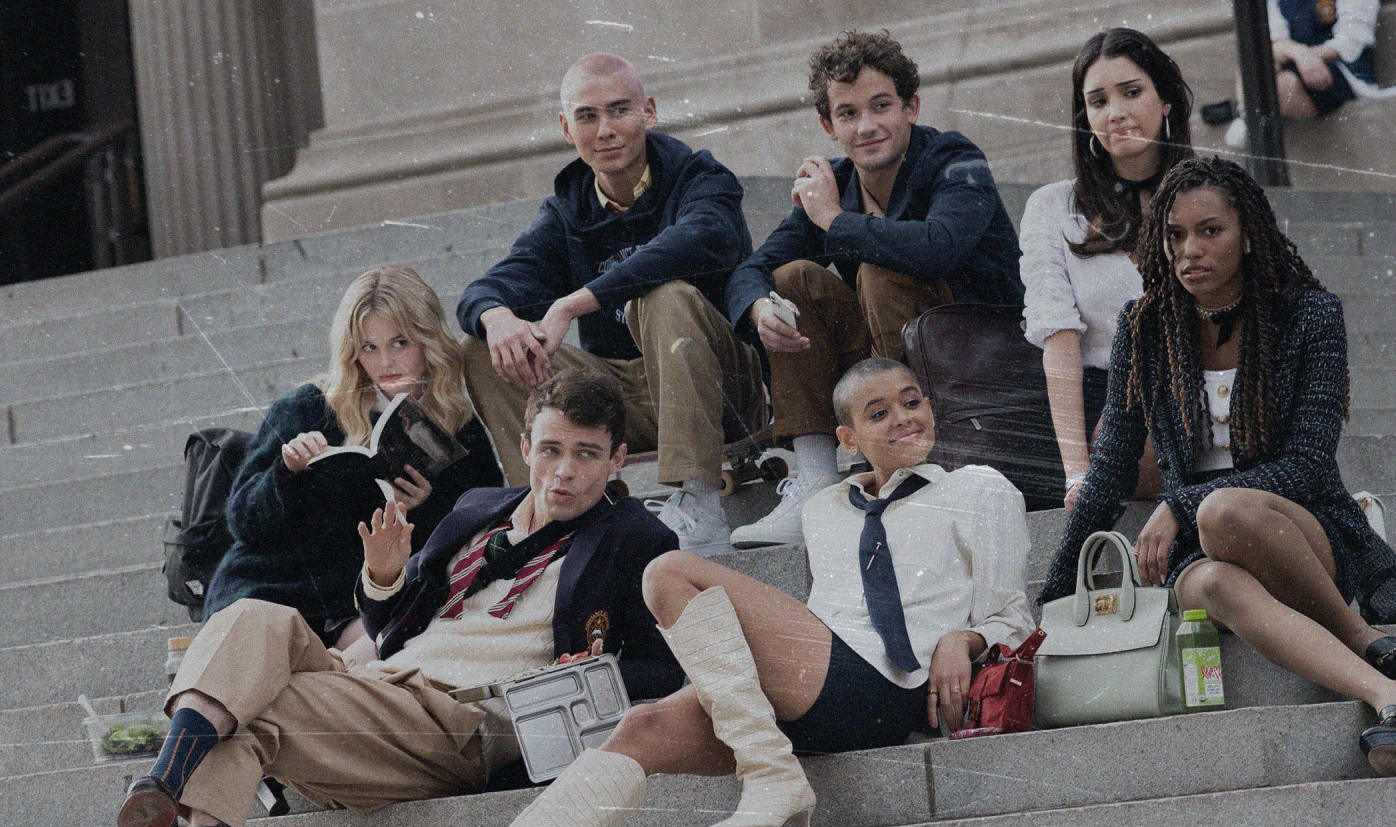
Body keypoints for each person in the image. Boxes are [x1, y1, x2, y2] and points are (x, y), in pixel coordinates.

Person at [398, 358, 1035, 827]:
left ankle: (771, 772)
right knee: (641, 727)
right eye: (879, 412)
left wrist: (964, 638)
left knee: (669, 571)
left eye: (912, 402)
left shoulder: (979, 489)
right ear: (847, 439)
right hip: (819, 684)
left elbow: (1014, 611)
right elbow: (827, 615)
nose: (902, 418)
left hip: (893, 688)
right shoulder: (823, 511)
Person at [115, 369, 684, 827]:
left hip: (457, 722)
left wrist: (588, 670)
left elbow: (665, 668)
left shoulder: (636, 539)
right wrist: (383, 578)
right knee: (252, 617)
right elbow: (391, 624)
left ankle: (171, 798)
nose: (564, 471)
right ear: (525, 448)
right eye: (552, 449)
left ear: (617, 459)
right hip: (376, 686)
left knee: (247, 701)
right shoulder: (480, 507)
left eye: (586, 453)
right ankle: (166, 794)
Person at [1037, 157, 1396, 781]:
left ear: (1247, 234)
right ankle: (1390, 691)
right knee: (1214, 584)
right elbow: (1109, 470)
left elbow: (1308, 465)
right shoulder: (1144, 326)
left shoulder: (1308, 315)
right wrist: (1050, 596)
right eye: (1175, 235)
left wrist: (1182, 503)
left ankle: (1358, 634)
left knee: (1224, 510)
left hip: (1298, 529)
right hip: (1198, 550)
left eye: (1210, 231)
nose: (1189, 250)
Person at [723, 30, 1024, 549]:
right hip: (893, 365)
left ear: (911, 106)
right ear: (829, 126)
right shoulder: (837, 186)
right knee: (792, 281)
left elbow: (939, 247)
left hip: (982, 368)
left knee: (881, 271)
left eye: (881, 106)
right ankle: (817, 479)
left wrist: (832, 219)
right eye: (848, 113)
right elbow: (754, 268)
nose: (866, 126)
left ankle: (920, 462)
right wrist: (758, 308)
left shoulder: (954, 158)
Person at [458, 52, 764, 557]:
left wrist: (573, 304)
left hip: (719, 389)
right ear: (565, 127)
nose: (605, 130)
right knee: (482, 347)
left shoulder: (700, 178)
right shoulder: (567, 211)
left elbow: (698, 239)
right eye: (587, 116)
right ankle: (543, 512)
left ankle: (701, 506)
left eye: (619, 110)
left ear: (649, 112)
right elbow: (489, 287)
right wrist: (497, 316)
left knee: (665, 296)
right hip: (620, 398)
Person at [205, 265, 503, 647]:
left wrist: (424, 507)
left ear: (426, 340)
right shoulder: (309, 407)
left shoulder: (455, 422)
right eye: (368, 347)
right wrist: (287, 473)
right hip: (276, 590)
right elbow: (242, 521)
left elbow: (486, 524)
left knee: (384, 641)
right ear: (352, 351)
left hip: (370, 604)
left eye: (400, 343)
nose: (385, 362)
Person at [1020, 28, 1190, 509]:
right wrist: (1077, 474)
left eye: (1132, 92)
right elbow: (1059, 340)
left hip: (1203, 389)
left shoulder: (1210, 195)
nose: (1115, 112)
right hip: (1110, 402)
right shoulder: (1053, 207)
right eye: (1098, 101)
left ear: (1165, 101)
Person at [1219, 0, 1396, 147]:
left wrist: (1307, 57)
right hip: (1295, 62)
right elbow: (1274, 40)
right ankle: (1250, 114)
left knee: (1281, 86)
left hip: (1343, 72)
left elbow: (1351, 41)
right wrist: (1299, 54)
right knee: (1252, 67)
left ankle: (1248, 114)